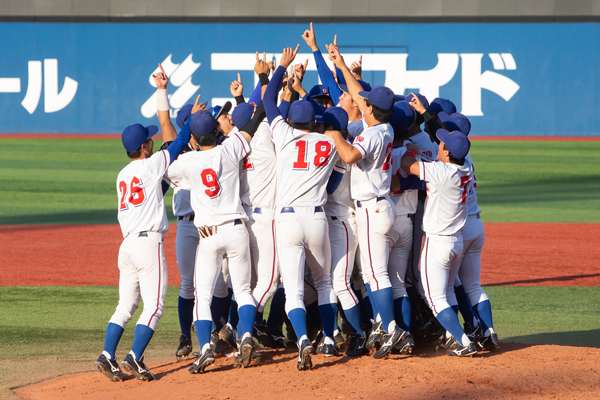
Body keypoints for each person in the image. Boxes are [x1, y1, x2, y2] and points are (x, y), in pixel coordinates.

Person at [325, 40, 406, 359]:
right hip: (380, 203)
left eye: (367, 102)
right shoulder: (383, 126)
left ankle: (391, 328)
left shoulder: (372, 134)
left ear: (371, 110)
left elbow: (347, 155)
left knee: (375, 274)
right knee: (376, 274)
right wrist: (342, 65)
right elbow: (359, 95)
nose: (363, 102)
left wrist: (333, 131)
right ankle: (387, 326)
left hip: (372, 208)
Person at [95, 115, 191, 382]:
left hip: (126, 247)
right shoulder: (150, 165)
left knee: (125, 306)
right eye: (150, 139)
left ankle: (107, 354)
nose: (153, 141)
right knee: (155, 306)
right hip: (148, 245)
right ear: (145, 146)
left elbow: (153, 191)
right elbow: (179, 142)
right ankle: (134, 357)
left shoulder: (123, 174)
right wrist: (191, 119)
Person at [164, 110, 260, 373]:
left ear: (194, 137)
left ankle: (205, 349)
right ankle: (247, 337)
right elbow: (253, 121)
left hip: (209, 235)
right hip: (238, 229)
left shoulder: (187, 162)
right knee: (242, 291)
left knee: (202, 296)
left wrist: (181, 146)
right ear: (217, 132)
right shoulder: (230, 148)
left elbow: (164, 172)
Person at [264, 45, 340, 371]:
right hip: (319, 216)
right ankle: (329, 339)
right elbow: (336, 180)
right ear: (315, 121)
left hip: (288, 219)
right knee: (324, 283)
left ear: (291, 121)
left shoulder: (282, 135)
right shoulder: (330, 142)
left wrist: (282, 68)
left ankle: (302, 340)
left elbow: (268, 102)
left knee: (292, 288)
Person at [400, 128, 477, 357]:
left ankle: (464, 341)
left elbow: (407, 164)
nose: (439, 146)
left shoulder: (440, 171)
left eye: (442, 145)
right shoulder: (466, 168)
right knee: (449, 293)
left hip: (438, 245)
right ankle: (454, 337)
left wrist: (412, 150)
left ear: (447, 152)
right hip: (456, 243)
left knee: (435, 300)